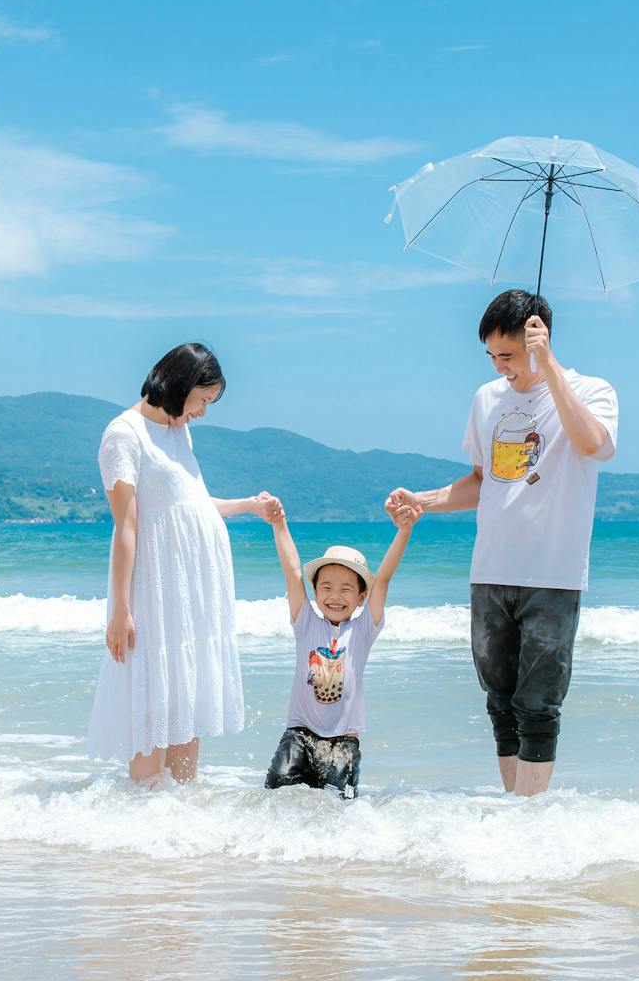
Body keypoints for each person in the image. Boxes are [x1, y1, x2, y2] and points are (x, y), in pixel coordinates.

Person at [386, 290, 618, 797]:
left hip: (552, 575)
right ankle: (514, 814)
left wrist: (551, 370)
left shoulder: (591, 390)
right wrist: (423, 501)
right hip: (489, 572)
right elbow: (481, 480)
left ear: (538, 342)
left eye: (507, 356)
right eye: (491, 356)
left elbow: (591, 445)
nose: (500, 367)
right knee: (500, 703)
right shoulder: (486, 398)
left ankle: (528, 823)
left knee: (539, 705)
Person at [86, 342, 280, 784]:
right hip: (156, 587)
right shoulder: (124, 434)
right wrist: (120, 609)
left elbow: (189, 502)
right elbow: (127, 527)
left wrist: (248, 505)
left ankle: (182, 817)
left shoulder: (177, 432)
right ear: (181, 385)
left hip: (195, 590)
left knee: (185, 697)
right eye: (203, 400)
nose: (203, 413)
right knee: (154, 696)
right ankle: (142, 810)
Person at [261, 499, 416, 799]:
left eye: (346, 588)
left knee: (337, 806)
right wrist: (279, 524)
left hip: (343, 742)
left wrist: (404, 530)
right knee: (276, 793)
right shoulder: (305, 622)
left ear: (360, 597)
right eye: (326, 587)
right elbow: (293, 572)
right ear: (316, 592)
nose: (335, 596)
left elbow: (382, 578)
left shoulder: (361, 631)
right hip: (299, 735)